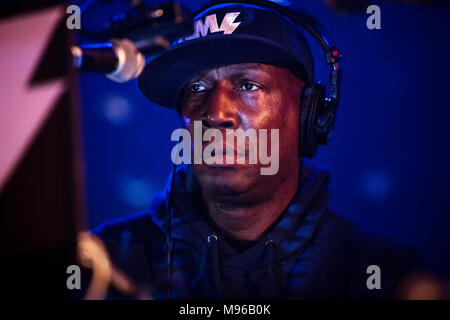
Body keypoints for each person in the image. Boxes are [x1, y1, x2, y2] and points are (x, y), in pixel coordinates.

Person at [93, 1, 419, 299]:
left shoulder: (389, 279)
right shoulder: (101, 266)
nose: (216, 114)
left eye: (248, 85)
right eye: (197, 88)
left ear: (310, 114)